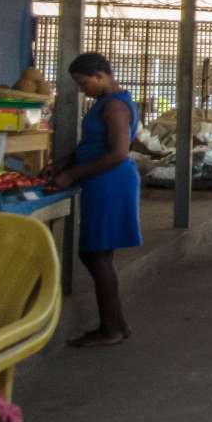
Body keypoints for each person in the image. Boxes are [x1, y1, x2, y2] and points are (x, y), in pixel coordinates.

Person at [44, 52, 141, 347]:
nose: (82, 89)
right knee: (97, 254)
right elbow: (92, 144)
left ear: (100, 76)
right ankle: (117, 325)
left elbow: (118, 153)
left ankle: (110, 329)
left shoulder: (114, 106)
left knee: (96, 255)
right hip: (102, 181)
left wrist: (73, 174)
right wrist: (63, 164)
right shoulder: (104, 103)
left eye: (84, 83)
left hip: (110, 183)